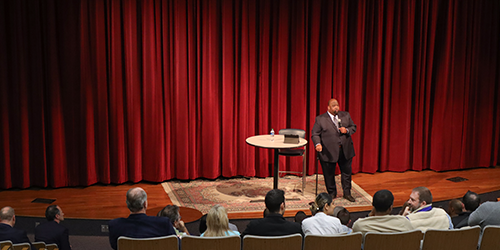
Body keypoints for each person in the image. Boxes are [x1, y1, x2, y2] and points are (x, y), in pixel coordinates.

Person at [311, 98, 357, 202]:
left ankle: (347, 193)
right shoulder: (320, 119)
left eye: (337, 105)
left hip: (345, 150)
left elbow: (353, 127)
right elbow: (315, 134)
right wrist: (318, 144)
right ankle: (332, 193)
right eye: (333, 106)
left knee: (346, 173)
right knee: (329, 174)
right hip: (328, 151)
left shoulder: (345, 115)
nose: (336, 107)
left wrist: (347, 130)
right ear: (328, 107)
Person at [108, 187, 176, 250]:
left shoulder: (115, 225)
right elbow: (176, 245)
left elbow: (115, 246)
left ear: (127, 204)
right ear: (145, 204)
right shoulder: (163, 223)